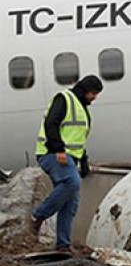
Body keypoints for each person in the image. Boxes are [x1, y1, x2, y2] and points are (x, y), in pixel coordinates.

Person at [31, 75, 103, 253]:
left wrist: (84, 160)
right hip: (51, 154)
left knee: (71, 202)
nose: (95, 97)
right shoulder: (64, 99)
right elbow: (51, 124)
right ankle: (38, 215)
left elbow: (76, 139)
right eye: (94, 93)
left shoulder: (82, 109)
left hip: (68, 157)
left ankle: (63, 245)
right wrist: (59, 149)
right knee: (72, 183)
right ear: (85, 90)